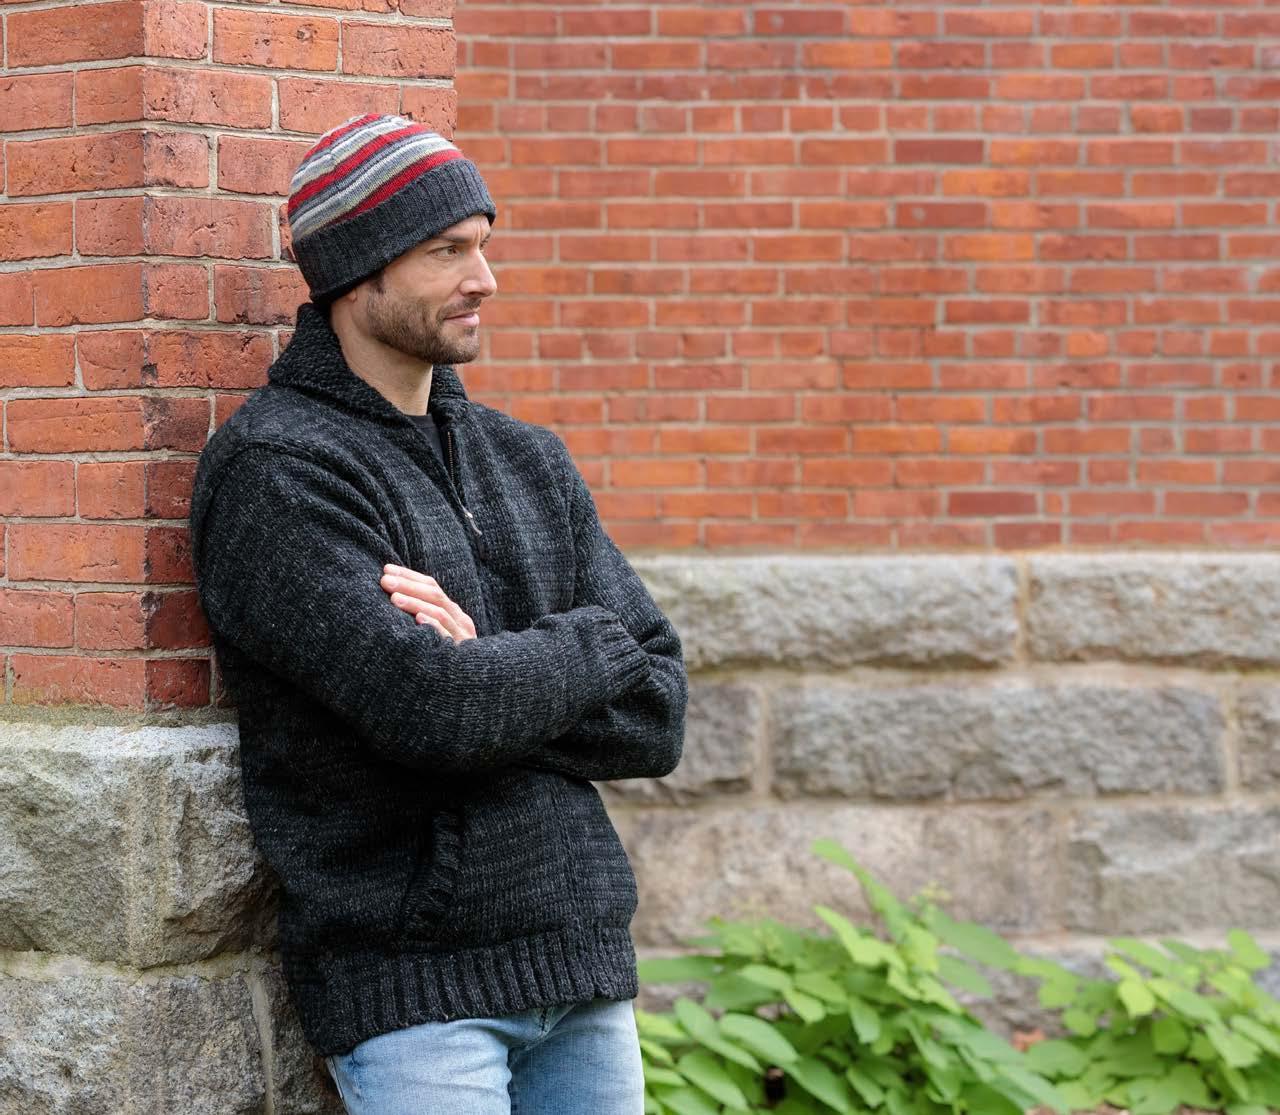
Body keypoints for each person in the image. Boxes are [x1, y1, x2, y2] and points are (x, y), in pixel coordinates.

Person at [188, 113, 687, 1114]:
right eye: (446, 251)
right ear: (357, 273)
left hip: (580, 966)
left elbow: (658, 711)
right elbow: (435, 710)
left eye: (483, 246)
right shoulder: (278, 471)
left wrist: (493, 660)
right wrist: (583, 649)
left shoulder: (526, 459)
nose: (483, 278)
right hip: (417, 996)